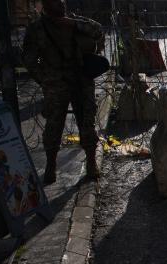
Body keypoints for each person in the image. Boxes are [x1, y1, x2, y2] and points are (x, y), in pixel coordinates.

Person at [22, 0, 103, 184]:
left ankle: (91, 162)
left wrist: (74, 24)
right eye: (56, 2)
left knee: (87, 121)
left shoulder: (74, 22)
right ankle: (51, 166)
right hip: (56, 83)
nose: (61, 5)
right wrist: (45, 79)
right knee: (54, 125)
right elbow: (28, 58)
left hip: (81, 79)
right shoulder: (37, 29)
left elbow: (97, 30)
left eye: (62, 2)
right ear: (46, 5)